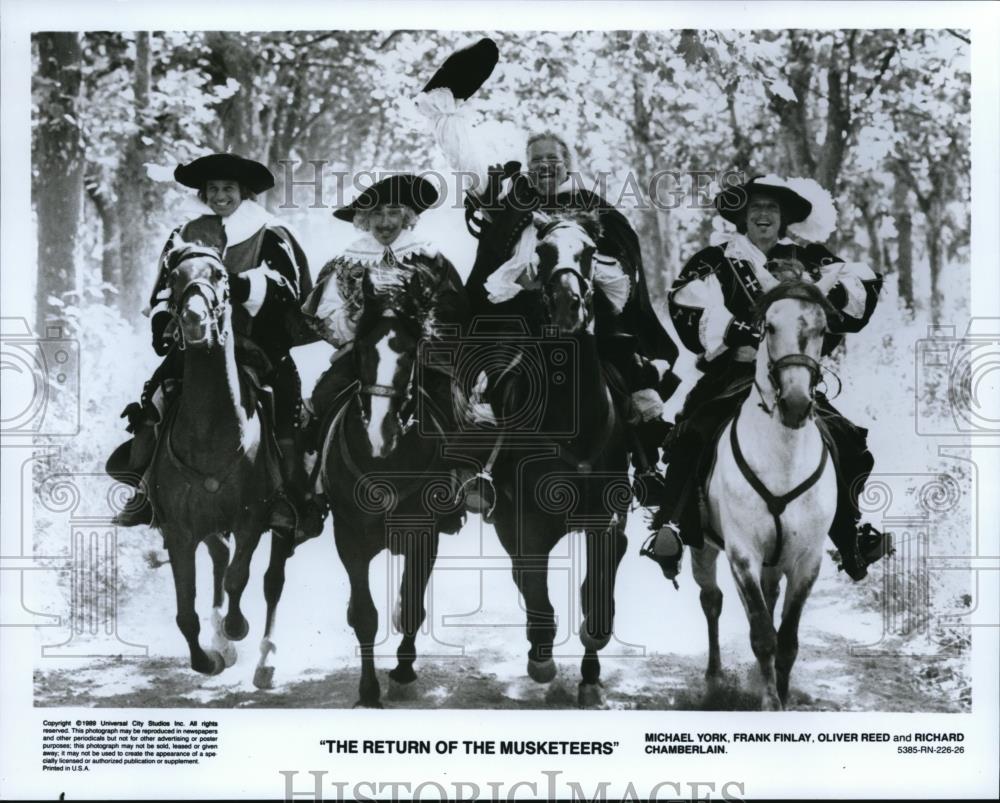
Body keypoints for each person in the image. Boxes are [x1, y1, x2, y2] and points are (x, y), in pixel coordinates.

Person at [415, 39, 680, 512]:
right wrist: (445, 110)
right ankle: (476, 472)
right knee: (480, 379)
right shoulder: (510, 201)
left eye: (553, 160)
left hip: (584, 316)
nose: (544, 168)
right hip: (516, 318)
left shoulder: (596, 210)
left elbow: (623, 282)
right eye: (536, 160)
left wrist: (578, 277)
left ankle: (645, 468)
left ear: (568, 165)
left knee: (626, 375)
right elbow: (466, 163)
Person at [644, 174, 893, 583]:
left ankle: (850, 535)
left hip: (793, 375)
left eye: (772, 208)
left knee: (847, 441)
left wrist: (812, 294)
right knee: (693, 434)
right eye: (755, 207)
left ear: (784, 217)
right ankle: (670, 525)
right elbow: (687, 300)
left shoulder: (810, 259)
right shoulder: (715, 260)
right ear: (742, 216)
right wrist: (740, 333)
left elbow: (858, 290)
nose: (763, 214)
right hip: (732, 374)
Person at [109, 152, 325, 543]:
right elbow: (164, 288)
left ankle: (288, 497)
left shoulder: (269, 232)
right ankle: (144, 487)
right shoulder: (186, 233)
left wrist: (235, 285)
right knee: (155, 397)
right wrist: (161, 320)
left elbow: (286, 289)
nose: (220, 196)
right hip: (196, 343)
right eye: (213, 189)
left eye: (228, 188)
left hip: (257, 342)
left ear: (244, 192)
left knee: (285, 408)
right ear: (203, 193)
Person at [300, 174, 470, 532]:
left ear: (407, 216)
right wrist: (353, 333)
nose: (385, 221)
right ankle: (313, 486)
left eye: (393, 212)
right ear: (364, 219)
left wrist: (423, 339)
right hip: (364, 355)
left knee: (450, 399)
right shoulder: (347, 262)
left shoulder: (430, 259)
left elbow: (450, 309)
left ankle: (456, 482)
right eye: (376, 213)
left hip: (422, 354)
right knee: (323, 396)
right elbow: (328, 311)